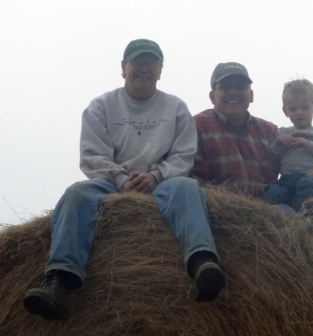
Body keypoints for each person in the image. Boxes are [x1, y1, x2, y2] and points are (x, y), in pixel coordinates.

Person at [23, 39, 225, 320]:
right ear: (123, 67)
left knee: (188, 187)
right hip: (111, 181)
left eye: (151, 63)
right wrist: (120, 178)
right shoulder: (101, 106)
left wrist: (156, 176)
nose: (144, 68)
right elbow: (92, 155)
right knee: (76, 194)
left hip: (162, 182)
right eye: (137, 62)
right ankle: (59, 281)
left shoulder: (176, 107)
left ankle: (203, 261)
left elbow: (183, 155)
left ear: (160, 70)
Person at [191, 62, 313, 268]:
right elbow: (194, 181)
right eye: (225, 87)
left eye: (240, 86)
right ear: (213, 96)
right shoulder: (197, 126)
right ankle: (312, 271)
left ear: (251, 94)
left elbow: (303, 156)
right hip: (234, 218)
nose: (234, 92)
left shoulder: (270, 131)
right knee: (287, 218)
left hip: (282, 203)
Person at [265, 79, 313, 215]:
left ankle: (311, 209)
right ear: (285, 111)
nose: (299, 112)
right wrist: (279, 143)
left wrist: (308, 144)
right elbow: (274, 154)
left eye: (304, 108)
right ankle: (275, 215)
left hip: (309, 174)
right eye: (293, 109)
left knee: (307, 186)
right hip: (287, 177)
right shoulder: (282, 132)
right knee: (274, 190)